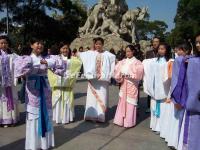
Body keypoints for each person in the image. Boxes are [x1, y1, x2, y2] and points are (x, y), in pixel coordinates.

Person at [14, 38, 65, 150]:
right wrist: (36, 63)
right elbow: (18, 71)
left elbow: (61, 68)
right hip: (33, 90)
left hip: (45, 88)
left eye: (42, 43)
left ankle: (44, 144)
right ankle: (33, 145)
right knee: (34, 115)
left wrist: (48, 62)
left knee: (46, 113)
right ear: (32, 45)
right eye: (37, 43)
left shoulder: (47, 57)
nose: (40, 45)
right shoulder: (26, 58)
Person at [172, 34, 200, 150]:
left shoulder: (193, 61)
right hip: (195, 105)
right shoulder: (193, 60)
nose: (198, 45)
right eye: (197, 42)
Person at [79, 37, 116, 122]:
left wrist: (109, 75)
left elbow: (113, 62)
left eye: (100, 44)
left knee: (102, 96)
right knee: (91, 98)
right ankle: (90, 115)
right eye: (96, 44)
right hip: (93, 79)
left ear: (103, 45)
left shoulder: (108, 55)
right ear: (94, 45)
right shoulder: (90, 53)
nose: (98, 45)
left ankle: (100, 116)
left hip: (103, 80)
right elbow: (80, 55)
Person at [165, 42, 192, 149]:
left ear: (187, 51)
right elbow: (176, 78)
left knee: (180, 117)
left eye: (181, 50)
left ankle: (177, 142)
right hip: (180, 92)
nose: (179, 52)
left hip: (184, 92)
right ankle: (175, 141)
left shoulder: (185, 60)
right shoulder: (180, 60)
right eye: (178, 50)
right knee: (177, 117)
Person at [48, 42, 82, 124]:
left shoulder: (73, 59)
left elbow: (78, 64)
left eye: (66, 48)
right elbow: (50, 68)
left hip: (67, 82)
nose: (65, 50)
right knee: (58, 100)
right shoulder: (55, 58)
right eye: (63, 48)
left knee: (67, 100)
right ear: (60, 49)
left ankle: (67, 118)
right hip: (58, 82)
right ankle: (58, 118)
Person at [143, 43, 171, 133]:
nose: (160, 50)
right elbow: (145, 63)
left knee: (162, 108)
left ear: (166, 50)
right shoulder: (155, 60)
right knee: (154, 106)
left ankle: (161, 127)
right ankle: (154, 126)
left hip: (163, 88)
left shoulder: (169, 61)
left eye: (163, 49)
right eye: (159, 49)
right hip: (155, 87)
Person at [113, 45, 144, 128]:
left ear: (133, 51)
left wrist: (128, 74)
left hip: (132, 84)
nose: (128, 53)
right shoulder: (122, 61)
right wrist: (120, 76)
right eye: (126, 51)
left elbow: (139, 74)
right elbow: (117, 71)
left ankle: (129, 122)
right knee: (122, 101)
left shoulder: (137, 62)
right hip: (124, 84)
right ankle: (119, 120)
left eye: (129, 51)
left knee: (130, 102)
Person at [0, 35, 19, 127]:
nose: (4, 45)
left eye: (5, 43)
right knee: (2, 99)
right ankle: (2, 120)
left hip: (11, 82)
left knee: (12, 98)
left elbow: (20, 63)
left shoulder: (13, 55)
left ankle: (12, 119)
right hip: (1, 83)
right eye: (2, 43)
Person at [144, 37, 160, 113]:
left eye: (157, 41)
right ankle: (148, 106)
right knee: (150, 90)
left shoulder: (162, 52)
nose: (155, 43)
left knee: (158, 90)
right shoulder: (149, 53)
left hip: (159, 75)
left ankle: (158, 106)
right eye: (154, 42)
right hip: (150, 75)